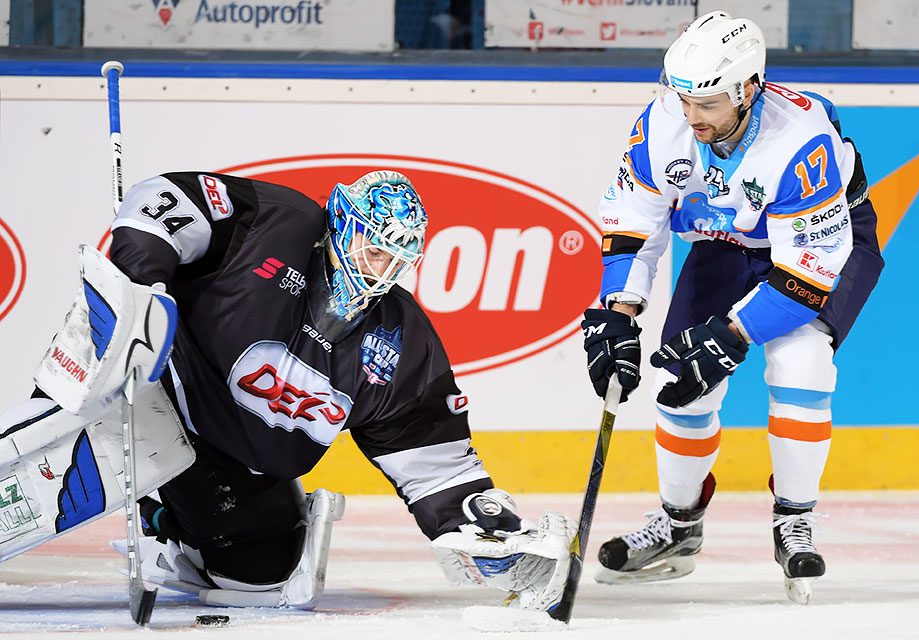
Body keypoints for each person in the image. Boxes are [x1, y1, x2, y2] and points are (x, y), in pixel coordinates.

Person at [0, 169, 576, 611]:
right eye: (377, 249)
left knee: (263, 567)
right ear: (344, 227)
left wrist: (480, 532)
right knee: (40, 480)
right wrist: (142, 283)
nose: (385, 269)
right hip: (147, 392)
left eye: (400, 258)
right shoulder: (276, 223)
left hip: (228, 462)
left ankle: (166, 526)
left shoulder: (403, 342)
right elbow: (165, 199)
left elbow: (432, 461)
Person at [580, 11, 883, 604]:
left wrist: (734, 334)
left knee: (801, 365)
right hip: (730, 238)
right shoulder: (665, 121)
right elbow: (634, 222)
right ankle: (678, 523)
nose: (692, 117)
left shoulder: (801, 139)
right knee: (683, 378)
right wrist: (618, 310)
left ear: (749, 89)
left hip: (820, 248)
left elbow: (805, 275)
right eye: (683, 97)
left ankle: (794, 516)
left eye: (708, 103)